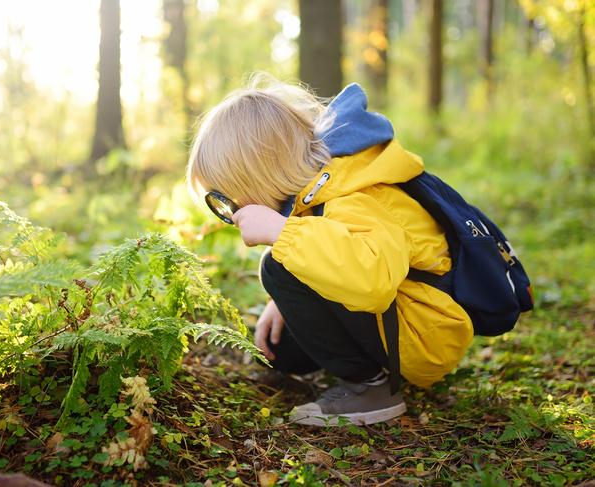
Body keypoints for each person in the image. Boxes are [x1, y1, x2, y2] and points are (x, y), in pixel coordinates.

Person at [186, 75, 473, 426]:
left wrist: (282, 233)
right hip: (401, 320)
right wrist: (285, 300)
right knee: (282, 351)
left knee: (276, 267)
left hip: (423, 334)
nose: (229, 211)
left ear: (259, 176)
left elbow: (372, 280)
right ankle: (354, 368)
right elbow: (333, 248)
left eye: (226, 198)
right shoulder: (317, 189)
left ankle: (370, 389)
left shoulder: (353, 192)